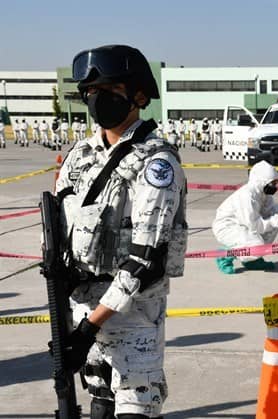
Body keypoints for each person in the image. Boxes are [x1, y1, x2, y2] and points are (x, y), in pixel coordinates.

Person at [54, 44, 187, 419]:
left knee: (134, 410)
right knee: (99, 407)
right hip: (82, 310)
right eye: (90, 93)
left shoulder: (156, 163)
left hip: (133, 318)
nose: (97, 101)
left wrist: (88, 328)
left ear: (139, 96)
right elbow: (62, 232)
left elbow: (144, 261)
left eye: (109, 91)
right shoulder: (80, 157)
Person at [212, 160, 278, 274]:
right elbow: (254, 226)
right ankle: (225, 255)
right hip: (227, 226)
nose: (275, 186)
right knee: (257, 244)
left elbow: (269, 211)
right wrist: (276, 220)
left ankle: (252, 260)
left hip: (244, 224)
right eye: (273, 183)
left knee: (274, 225)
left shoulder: (263, 193)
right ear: (261, 181)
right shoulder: (247, 196)